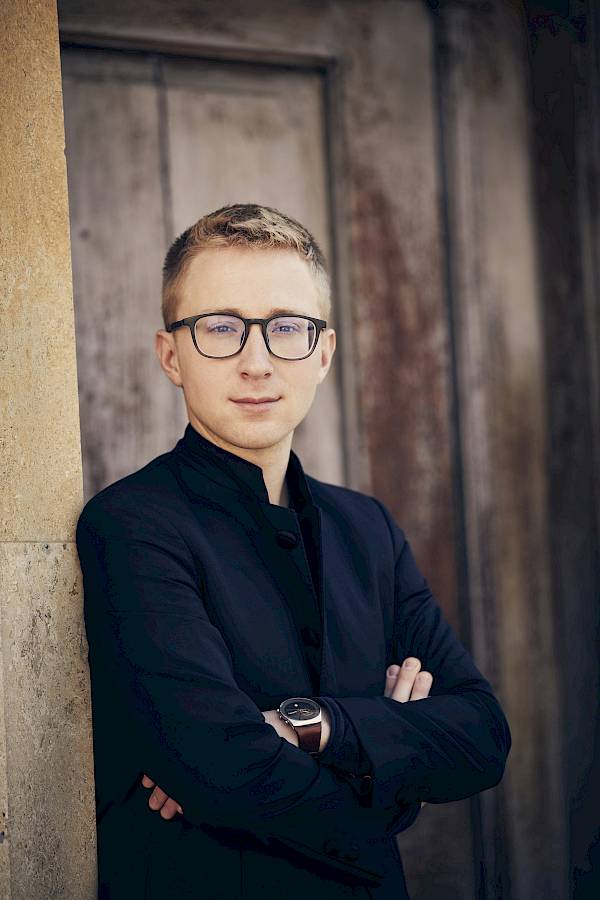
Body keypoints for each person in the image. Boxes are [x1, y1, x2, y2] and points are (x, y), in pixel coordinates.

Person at [75, 203, 512, 900]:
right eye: (220, 327)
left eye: (286, 328)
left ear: (324, 352)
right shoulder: (130, 526)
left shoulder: (368, 529)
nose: (256, 362)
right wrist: (396, 773)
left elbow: (482, 736)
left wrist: (313, 727)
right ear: (171, 356)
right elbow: (224, 769)